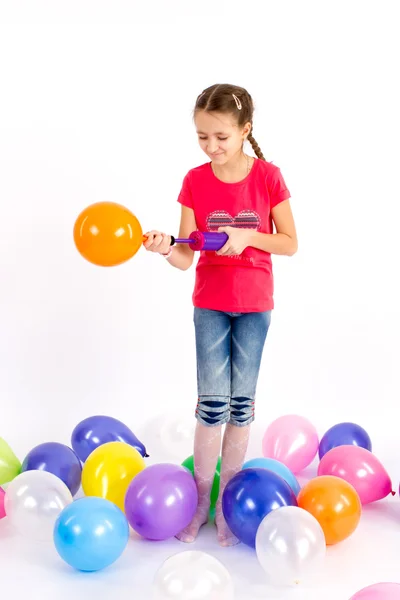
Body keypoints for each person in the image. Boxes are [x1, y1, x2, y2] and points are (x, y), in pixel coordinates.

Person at [143, 83, 297, 546]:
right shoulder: (194, 181)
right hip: (210, 304)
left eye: (221, 137)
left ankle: (228, 508)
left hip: (254, 308)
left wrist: (246, 237)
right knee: (212, 406)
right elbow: (186, 254)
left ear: (245, 131)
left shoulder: (268, 177)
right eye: (202, 137)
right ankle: (197, 504)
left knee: (240, 407)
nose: (211, 147)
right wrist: (166, 247)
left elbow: (289, 243)